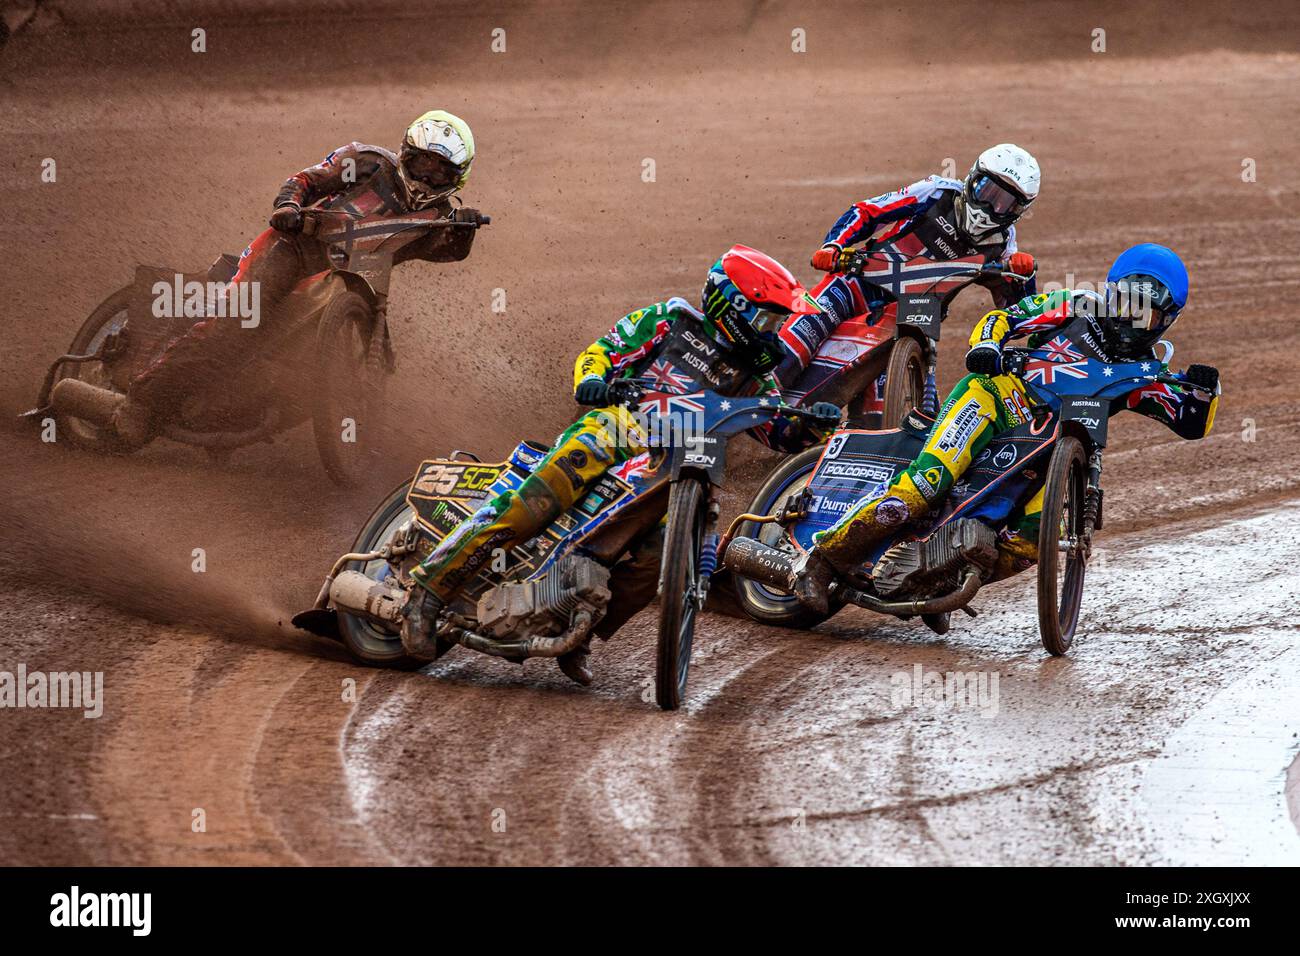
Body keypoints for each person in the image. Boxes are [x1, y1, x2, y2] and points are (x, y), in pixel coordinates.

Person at [402, 246, 843, 684]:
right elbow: (604, 350)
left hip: (678, 464)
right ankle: (428, 591)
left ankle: (581, 632)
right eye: (767, 321)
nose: (774, 334)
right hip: (621, 427)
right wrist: (592, 381)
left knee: (658, 558)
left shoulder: (757, 379)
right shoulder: (672, 320)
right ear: (735, 308)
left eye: (778, 323)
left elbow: (778, 430)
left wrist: (815, 423)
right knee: (538, 500)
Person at [794, 243, 1221, 613]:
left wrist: (1206, 391)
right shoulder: (1074, 305)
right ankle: (819, 564)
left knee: (1030, 545)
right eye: (1127, 303)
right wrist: (987, 346)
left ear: (1167, 320)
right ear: (1111, 294)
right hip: (995, 399)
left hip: (1056, 448)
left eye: (1148, 315)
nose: (1133, 320)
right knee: (922, 488)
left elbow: (1191, 423)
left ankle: (936, 577)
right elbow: (1004, 319)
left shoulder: (1151, 370)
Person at [113, 110, 481, 442]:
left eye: (440, 171)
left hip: (356, 279)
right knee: (233, 327)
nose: (428, 177)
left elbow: (448, 250)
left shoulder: (441, 220)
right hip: (293, 250)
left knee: (383, 357)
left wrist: (464, 231)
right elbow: (306, 179)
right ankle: (140, 401)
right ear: (405, 154)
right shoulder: (368, 162)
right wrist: (287, 206)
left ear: (457, 179)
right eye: (423, 164)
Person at [786, 144, 1042, 372]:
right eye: (986, 191)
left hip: (914, 319)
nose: (989, 207)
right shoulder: (936, 192)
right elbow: (868, 212)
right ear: (972, 178)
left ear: (1018, 211)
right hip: (856, 283)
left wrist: (1025, 277)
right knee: (794, 346)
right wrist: (834, 246)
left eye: (1003, 203)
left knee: (876, 415)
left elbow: (1016, 314)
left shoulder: (1004, 244)